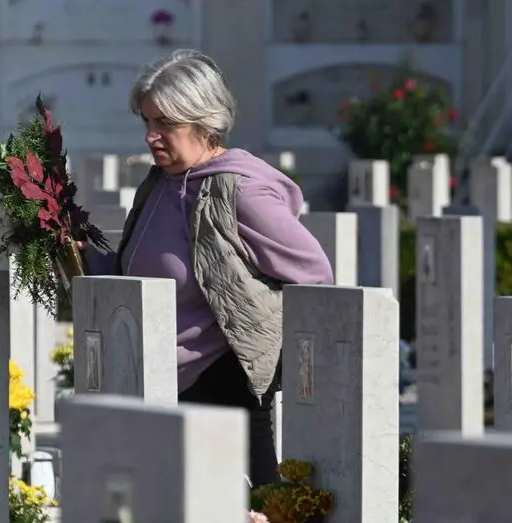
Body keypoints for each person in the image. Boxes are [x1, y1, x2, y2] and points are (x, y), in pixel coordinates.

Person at [84, 50, 333, 488]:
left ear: (203, 122)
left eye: (165, 124)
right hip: (157, 381)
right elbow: (136, 278)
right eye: (146, 123)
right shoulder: (160, 184)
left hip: (223, 385)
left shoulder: (239, 189)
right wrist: (75, 249)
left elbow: (314, 275)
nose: (150, 136)